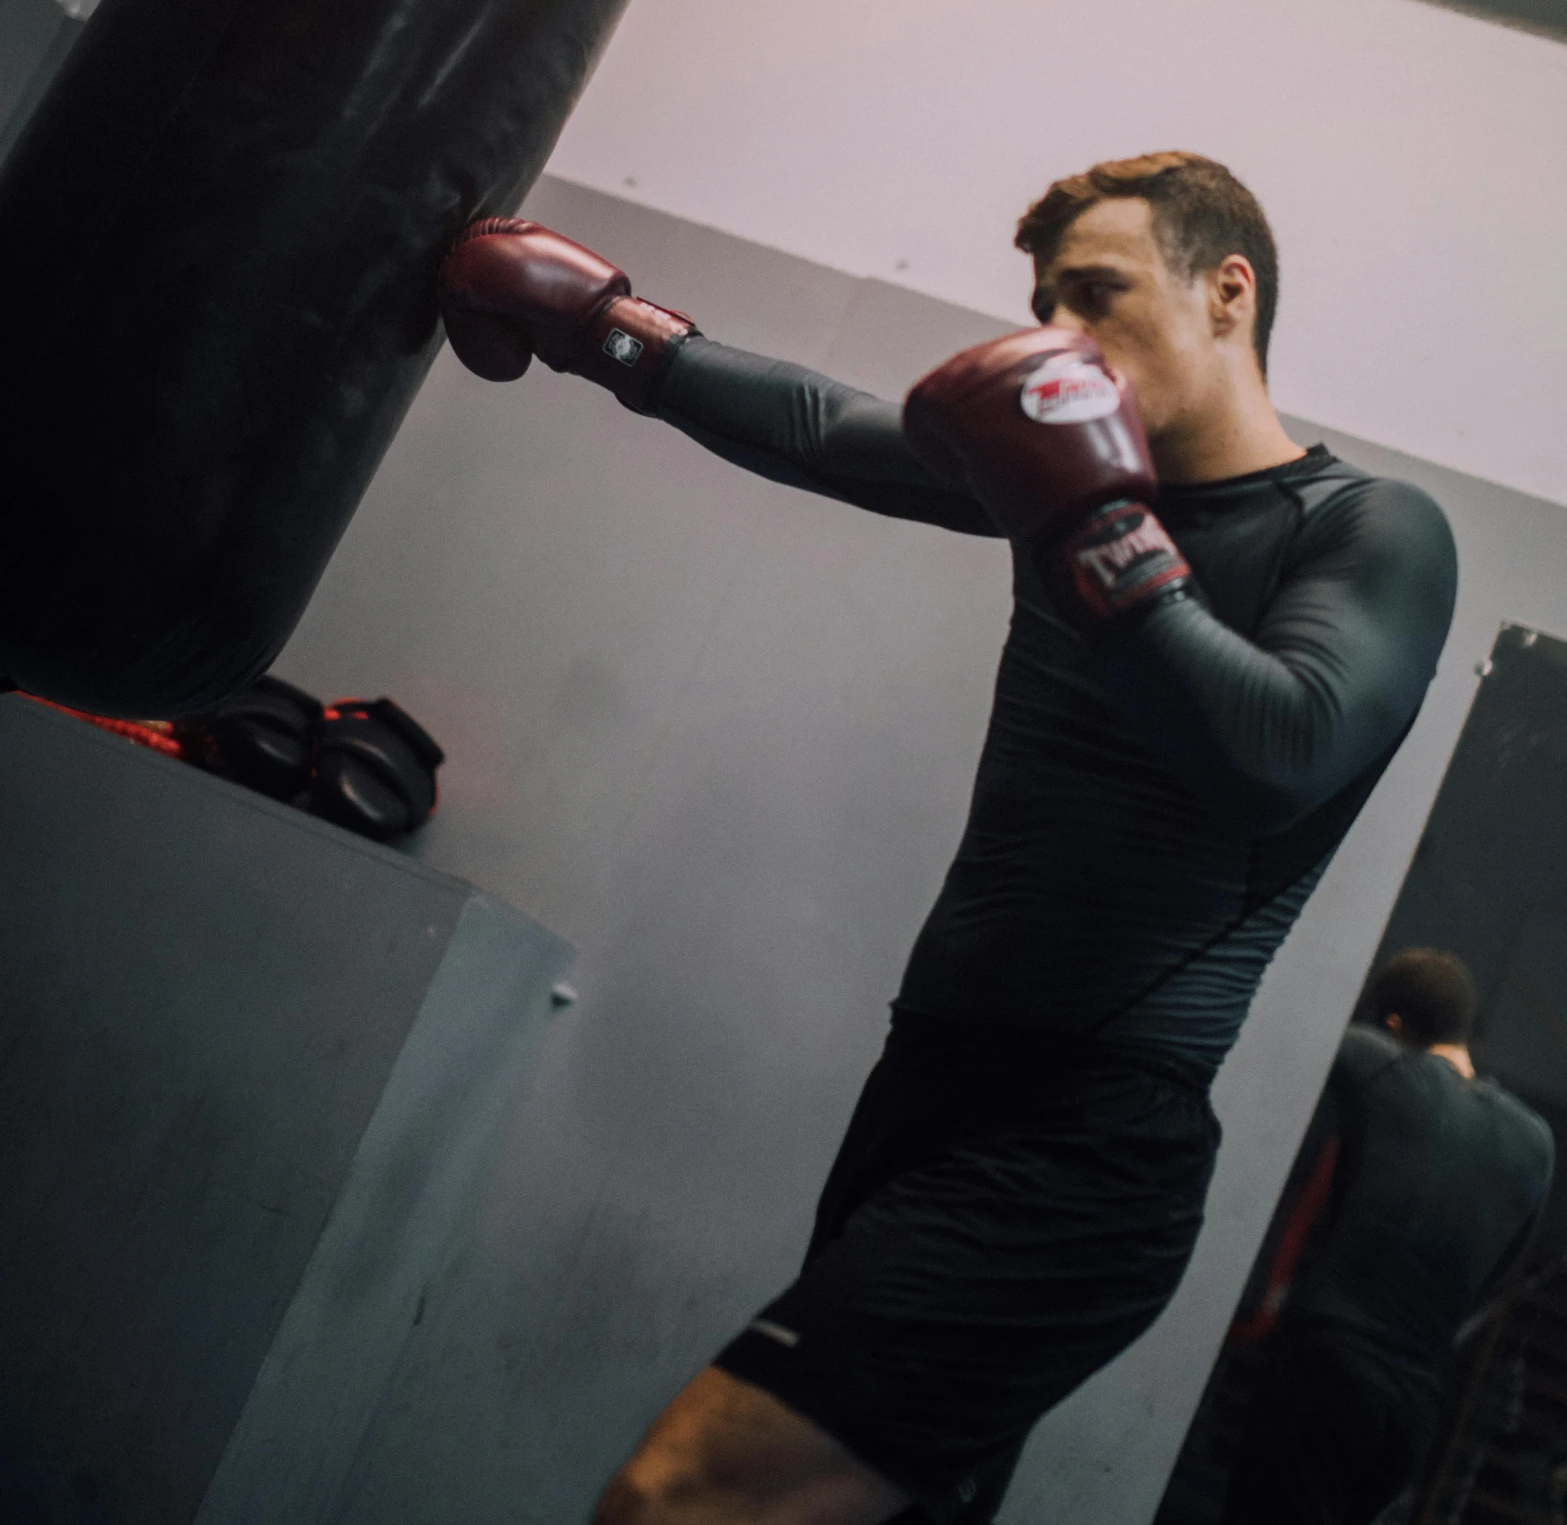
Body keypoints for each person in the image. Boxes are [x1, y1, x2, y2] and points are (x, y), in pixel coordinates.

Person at [438, 150, 1459, 1525]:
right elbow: (826, 426)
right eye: (1044, 304)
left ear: (1228, 291)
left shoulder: (1364, 526)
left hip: (1084, 1148)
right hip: (923, 1090)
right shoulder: (1067, 485)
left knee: (680, 1500)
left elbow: (1280, 746)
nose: (1059, 336)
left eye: (1095, 293)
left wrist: (1086, 525)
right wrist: (598, 325)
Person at [1219, 948, 1555, 1525]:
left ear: (1394, 1025)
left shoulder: (1383, 1066)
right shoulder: (1536, 1144)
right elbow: (1496, 1274)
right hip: (1414, 1405)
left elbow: (1319, 1034)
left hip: (1329, 1372)